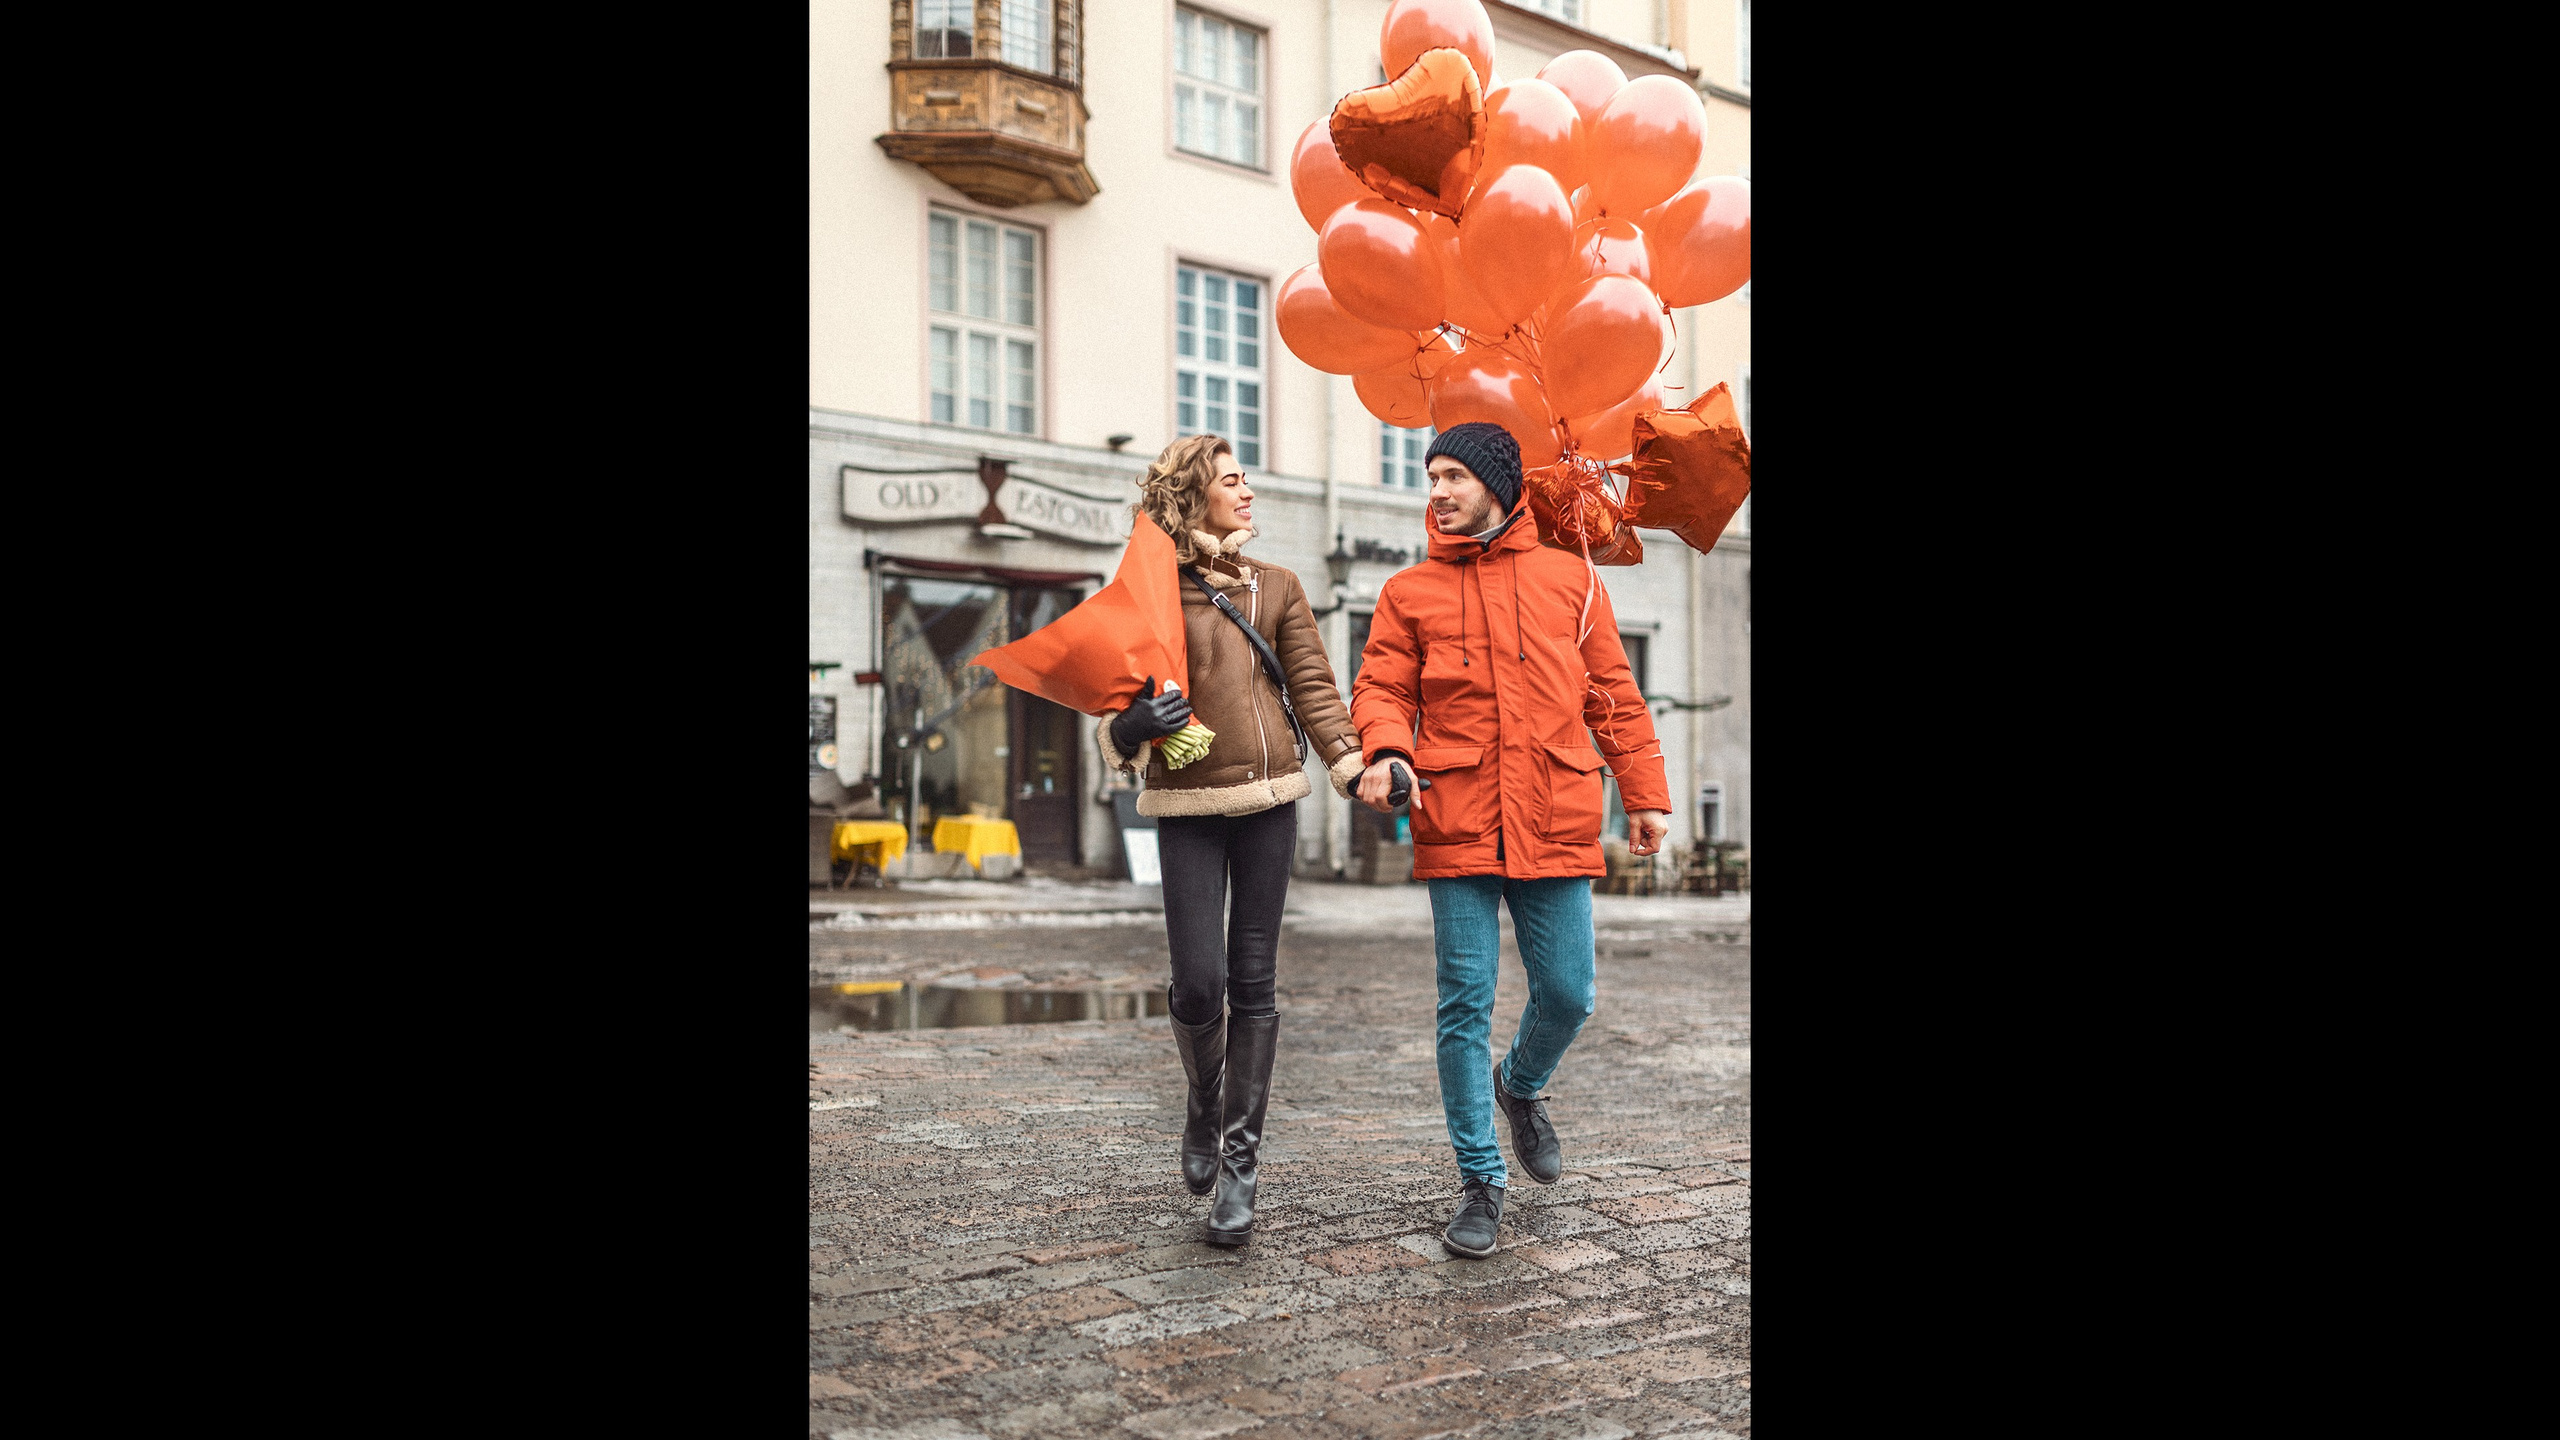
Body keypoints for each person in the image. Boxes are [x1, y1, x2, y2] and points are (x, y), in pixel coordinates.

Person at [1348, 421, 1673, 1259]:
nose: (1437, 491)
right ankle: (1480, 1178)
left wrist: (1644, 794)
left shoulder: (1572, 579)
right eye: (1431, 477)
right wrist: (1387, 751)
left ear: (1497, 483)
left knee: (1568, 993)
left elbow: (1612, 694)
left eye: (1453, 475)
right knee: (1464, 1002)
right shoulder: (1408, 592)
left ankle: (1519, 1083)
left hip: (1555, 811)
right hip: (1454, 811)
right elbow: (1382, 687)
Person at [1098, 434, 1367, 1247]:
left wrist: (1350, 765)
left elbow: (1313, 685)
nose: (1247, 491)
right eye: (1230, 480)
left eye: (1248, 478)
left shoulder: (1276, 586)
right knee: (1196, 984)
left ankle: (1239, 1170)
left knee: (1253, 982)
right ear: (1192, 496)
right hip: (1185, 804)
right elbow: (1111, 698)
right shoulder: (1149, 593)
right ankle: (1204, 1099)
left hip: (1269, 800)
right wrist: (1130, 728)